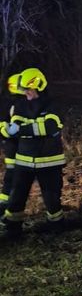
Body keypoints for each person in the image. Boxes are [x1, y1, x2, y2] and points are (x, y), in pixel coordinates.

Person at [0, 68, 66, 237]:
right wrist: (8, 130)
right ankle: (13, 228)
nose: (27, 93)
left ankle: (56, 225)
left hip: (49, 160)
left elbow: (50, 127)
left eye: (29, 90)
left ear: (39, 86)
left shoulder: (52, 104)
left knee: (51, 197)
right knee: (17, 196)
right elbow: (15, 124)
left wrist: (22, 130)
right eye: (24, 90)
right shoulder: (21, 105)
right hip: (24, 160)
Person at [0, 74, 23, 215]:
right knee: (15, 174)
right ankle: (8, 204)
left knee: (10, 173)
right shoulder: (17, 104)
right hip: (14, 145)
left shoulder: (9, 102)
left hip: (9, 144)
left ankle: (4, 201)